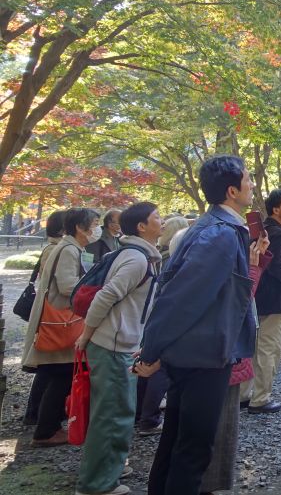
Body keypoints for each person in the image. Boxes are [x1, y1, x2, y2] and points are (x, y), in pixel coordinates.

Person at [137, 155, 267, 495]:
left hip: (199, 352)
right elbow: (181, 298)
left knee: (177, 440)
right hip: (203, 356)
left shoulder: (217, 229)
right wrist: (151, 350)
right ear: (231, 190)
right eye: (249, 179)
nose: (252, 184)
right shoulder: (221, 234)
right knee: (194, 448)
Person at [73, 202, 162, 495]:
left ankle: (110, 466)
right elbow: (106, 297)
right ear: (141, 226)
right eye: (156, 218)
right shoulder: (137, 259)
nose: (160, 222)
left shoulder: (134, 254)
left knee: (116, 411)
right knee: (111, 415)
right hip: (112, 345)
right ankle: (96, 485)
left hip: (118, 343)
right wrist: (86, 335)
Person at [21, 207, 99, 446]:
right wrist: (95, 288)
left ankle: (48, 427)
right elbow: (67, 286)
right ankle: (46, 430)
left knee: (57, 375)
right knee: (61, 376)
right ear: (80, 226)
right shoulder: (68, 249)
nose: (97, 228)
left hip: (60, 320)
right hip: (63, 321)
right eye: (95, 223)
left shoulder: (68, 247)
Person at [199, 235, 271, 495]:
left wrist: (256, 263)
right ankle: (213, 484)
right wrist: (252, 268)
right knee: (221, 423)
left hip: (220, 351)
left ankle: (212, 481)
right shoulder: (218, 264)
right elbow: (240, 297)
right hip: (223, 351)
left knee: (218, 421)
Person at [244, 189, 281, 414]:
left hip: (258, 296)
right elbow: (278, 269)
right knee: (269, 349)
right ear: (276, 209)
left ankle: (248, 394)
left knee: (254, 348)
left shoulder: (262, 232)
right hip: (275, 299)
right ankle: (261, 398)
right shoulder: (277, 234)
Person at [23, 209, 66, 428]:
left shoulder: (55, 247)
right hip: (52, 314)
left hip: (50, 312)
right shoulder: (57, 250)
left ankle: (36, 412)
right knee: (48, 366)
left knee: (48, 366)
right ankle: (36, 413)